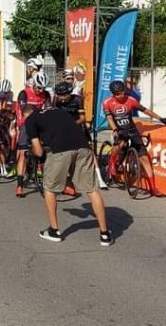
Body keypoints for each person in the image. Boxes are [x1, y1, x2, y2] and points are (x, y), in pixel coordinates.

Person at [24, 101, 112, 246]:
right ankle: (105, 234)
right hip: (83, 147)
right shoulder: (58, 111)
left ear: (25, 114)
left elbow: (38, 152)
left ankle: (54, 231)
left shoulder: (30, 120)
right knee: (92, 189)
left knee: (49, 189)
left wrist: (33, 151)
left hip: (59, 151)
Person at [102, 80, 166, 194]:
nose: (120, 96)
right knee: (120, 144)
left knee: (144, 158)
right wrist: (114, 129)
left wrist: (160, 118)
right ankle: (112, 161)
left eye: (122, 93)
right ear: (112, 94)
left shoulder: (131, 100)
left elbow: (146, 110)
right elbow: (109, 118)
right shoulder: (107, 102)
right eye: (117, 94)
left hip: (131, 129)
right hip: (118, 129)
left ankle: (153, 188)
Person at [14, 72, 49, 197]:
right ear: (34, 84)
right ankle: (20, 185)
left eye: (43, 88)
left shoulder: (46, 94)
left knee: (45, 149)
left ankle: (43, 174)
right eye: (39, 87)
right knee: (23, 153)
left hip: (38, 122)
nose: (41, 90)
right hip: (25, 122)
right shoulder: (24, 93)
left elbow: (48, 109)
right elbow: (25, 112)